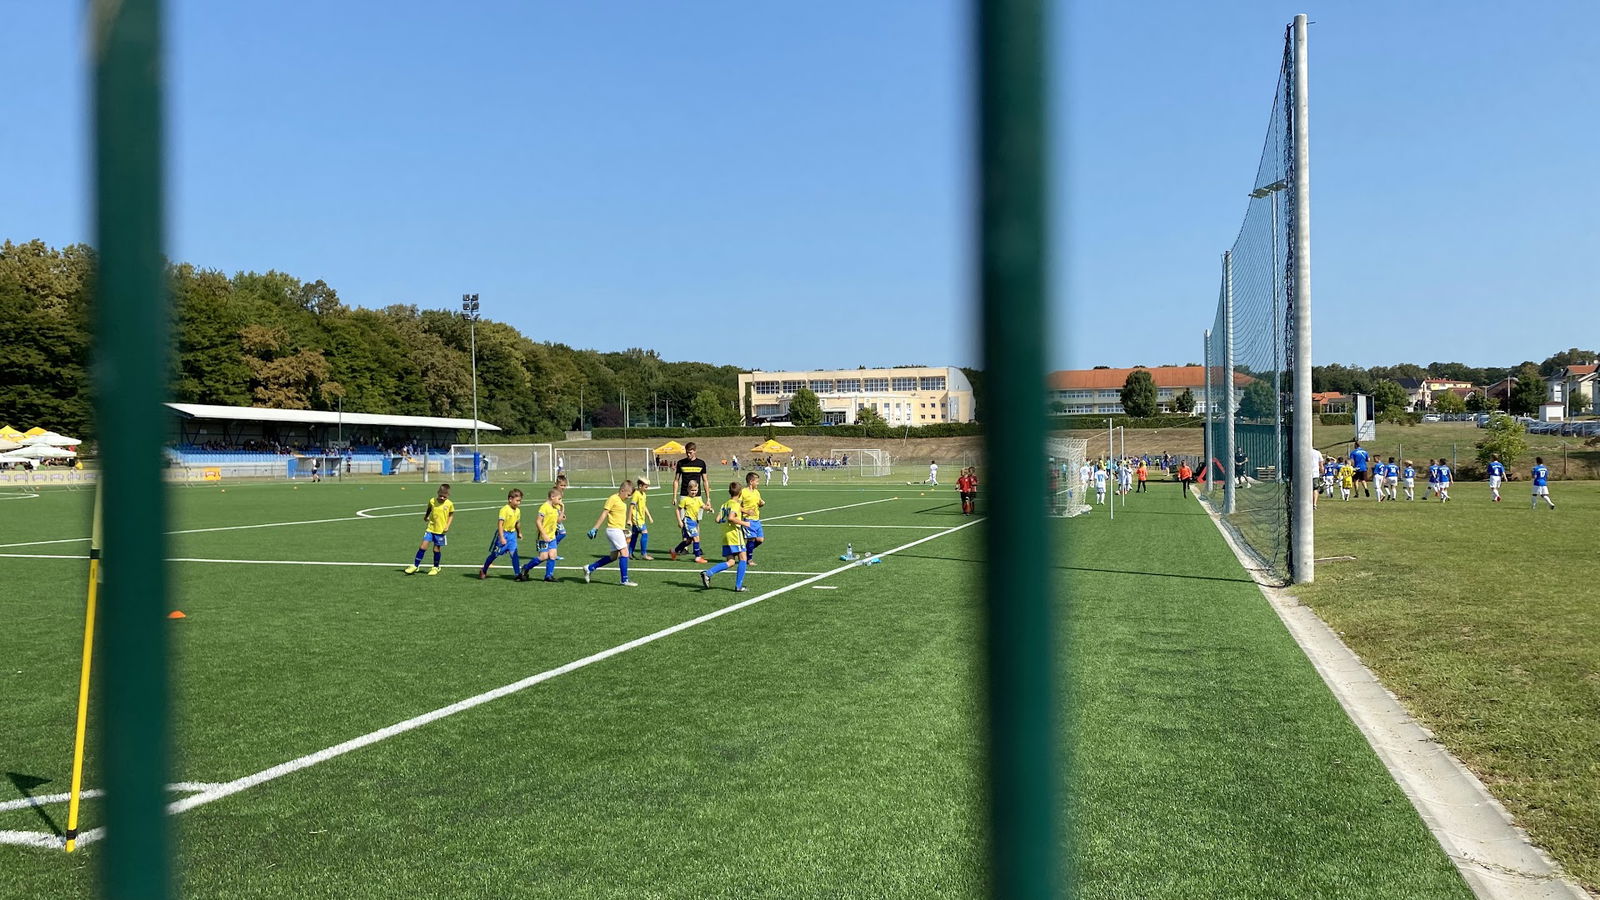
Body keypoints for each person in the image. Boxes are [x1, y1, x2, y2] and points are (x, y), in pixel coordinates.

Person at [583, 480, 638, 586]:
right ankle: (624, 580)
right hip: (613, 530)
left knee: (613, 556)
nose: (628, 497)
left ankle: (589, 568)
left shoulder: (622, 502)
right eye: (628, 495)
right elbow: (604, 514)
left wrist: (624, 529)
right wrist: (595, 528)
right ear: (622, 490)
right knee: (625, 552)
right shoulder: (613, 498)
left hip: (618, 530)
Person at [700, 482, 750, 592]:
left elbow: (717, 519)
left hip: (725, 535)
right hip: (734, 534)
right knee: (743, 558)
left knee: (731, 562)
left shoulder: (724, 504)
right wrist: (744, 523)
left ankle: (708, 573)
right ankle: (738, 586)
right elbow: (731, 518)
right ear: (740, 493)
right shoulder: (735, 504)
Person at [405, 483, 454, 575]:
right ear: (437, 493)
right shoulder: (432, 501)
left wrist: (447, 526)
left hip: (440, 531)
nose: (442, 498)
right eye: (440, 496)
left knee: (436, 549)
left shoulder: (449, 504)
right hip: (430, 528)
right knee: (422, 547)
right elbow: (429, 509)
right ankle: (416, 565)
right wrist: (426, 516)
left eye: (444, 497)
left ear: (448, 495)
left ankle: (436, 567)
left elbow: (451, 515)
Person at [478, 489, 524, 580]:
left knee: (514, 554)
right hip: (503, 534)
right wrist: (502, 537)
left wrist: (519, 532)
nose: (519, 503)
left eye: (520, 501)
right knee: (495, 554)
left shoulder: (518, 511)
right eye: (517, 500)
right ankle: (484, 570)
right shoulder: (504, 509)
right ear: (510, 499)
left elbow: (517, 523)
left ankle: (517, 574)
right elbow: (500, 524)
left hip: (512, 535)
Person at [518, 488, 563, 582]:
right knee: (544, 556)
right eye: (559, 499)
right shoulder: (544, 507)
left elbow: (559, 521)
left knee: (553, 555)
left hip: (552, 536)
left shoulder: (556, 507)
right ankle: (526, 567)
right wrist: (544, 534)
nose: (560, 501)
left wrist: (562, 509)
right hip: (543, 537)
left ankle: (548, 576)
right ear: (552, 497)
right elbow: (538, 521)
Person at [671, 479, 708, 562]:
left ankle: (674, 551)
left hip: (694, 522)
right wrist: (680, 521)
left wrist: (709, 508)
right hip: (688, 521)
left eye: (695, 490)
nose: (694, 492)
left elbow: (703, 506)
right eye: (692, 490)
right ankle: (697, 557)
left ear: (698, 490)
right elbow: (678, 510)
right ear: (688, 490)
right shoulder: (685, 499)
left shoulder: (698, 499)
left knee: (688, 541)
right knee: (696, 537)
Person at [740, 472, 766, 566]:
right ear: (751, 481)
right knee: (751, 539)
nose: (758, 483)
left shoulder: (756, 492)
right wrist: (746, 512)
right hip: (748, 520)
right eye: (757, 481)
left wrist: (761, 503)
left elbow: (758, 503)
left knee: (760, 540)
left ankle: (744, 552)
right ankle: (749, 559)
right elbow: (736, 506)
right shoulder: (743, 492)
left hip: (756, 519)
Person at [674, 442, 711, 507]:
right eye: (687, 452)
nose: (688, 454)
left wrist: (708, 498)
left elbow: (705, 481)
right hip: (684, 495)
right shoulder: (681, 463)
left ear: (695, 451)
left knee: (698, 517)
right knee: (683, 517)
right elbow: (676, 481)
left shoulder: (701, 463)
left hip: (697, 496)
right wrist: (674, 497)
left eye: (690, 453)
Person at [628, 475, 655, 560]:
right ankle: (644, 554)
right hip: (637, 519)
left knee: (634, 536)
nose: (647, 489)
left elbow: (644, 506)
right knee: (645, 533)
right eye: (646, 487)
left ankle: (629, 553)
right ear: (640, 486)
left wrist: (649, 516)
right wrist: (629, 519)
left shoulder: (643, 494)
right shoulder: (636, 494)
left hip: (641, 518)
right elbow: (631, 506)